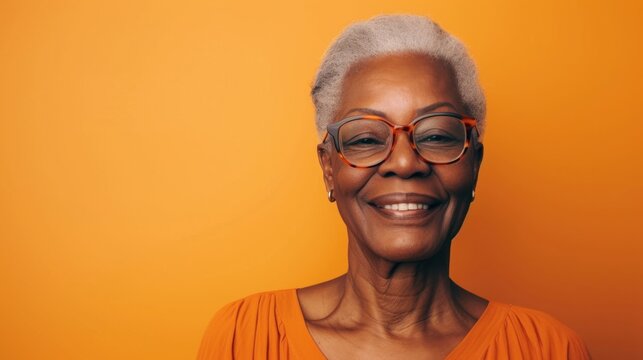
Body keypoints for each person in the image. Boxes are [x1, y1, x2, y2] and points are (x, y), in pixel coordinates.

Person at [197, 14, 591, 359]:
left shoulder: (546, 349)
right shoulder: (245, 338)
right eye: (366, 139)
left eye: (436, 136)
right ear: (329, 168)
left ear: (474, 165)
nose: (405, 163)